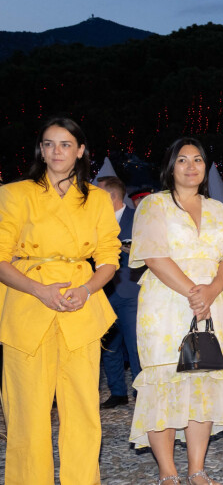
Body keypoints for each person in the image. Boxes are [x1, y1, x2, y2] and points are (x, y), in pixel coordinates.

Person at [0, 117, 120, 485]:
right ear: (40, 149)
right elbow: (1, 259)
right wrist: (40, 291)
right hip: (27, 304)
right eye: (49, 144)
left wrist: (85, 290)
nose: (56, 151)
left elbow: (109, 257)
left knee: (83, 408)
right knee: (26, 411)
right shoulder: (15, 193)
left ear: (80, 151)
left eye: (66, 144)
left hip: (80, 308)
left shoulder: (98, 198)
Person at [128, 137, 223, 485]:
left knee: (202, 382)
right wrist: (194, 292)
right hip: (166, 306)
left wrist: (211, 291)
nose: (191, 166)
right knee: (164, 384)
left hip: (209, 306)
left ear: (206, 167)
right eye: (182, 160)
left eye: (198, 160)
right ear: (170, 167)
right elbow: (155, 256)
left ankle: (197, 469)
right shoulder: (152, 205)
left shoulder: (219, 209)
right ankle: (168, 471)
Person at [97, 175, 142, 408]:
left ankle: (140, 391)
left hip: (130, 291)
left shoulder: (138, 218)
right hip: (101, 292)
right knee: (108, 346)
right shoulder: (93, 220)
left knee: (135, 345)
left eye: (98, 192)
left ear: (111, 196)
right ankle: (117, 392)